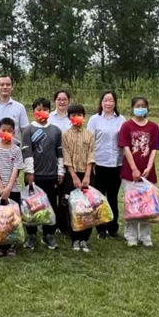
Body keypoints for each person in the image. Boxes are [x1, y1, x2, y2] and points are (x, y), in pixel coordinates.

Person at [22, 98, 64, 250]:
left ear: (49, 111)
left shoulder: (55, 130)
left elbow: (59, 152)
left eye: (45, 109)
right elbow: (27, 152)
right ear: (33, 111)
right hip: (34, 175)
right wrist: (29, 172)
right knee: (32, 206)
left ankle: (49, 234)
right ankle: (32, 235)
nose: (42, 112)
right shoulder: (29, 130)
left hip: (51, 175)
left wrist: (60, 171)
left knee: (51, 204)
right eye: (39, 109)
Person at [118, 96, 159, 247]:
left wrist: (149, 166)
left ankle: (145, 236)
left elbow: (154, 148)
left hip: (148, 174)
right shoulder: (126, 126)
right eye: (137, 106)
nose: (140, 108)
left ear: (147, 108)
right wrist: (134, 169)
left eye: (143, 106)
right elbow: (126, 148)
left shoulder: (153, 127)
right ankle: (131, 235)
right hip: (130, 173)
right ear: (132, 107)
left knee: (147, 205)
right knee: (132, 204)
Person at [87, 91, 125, 240]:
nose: (108, 103)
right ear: (101, 102)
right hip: (99, 164)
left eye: (111, 100)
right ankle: (101, 229)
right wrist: (91, 162)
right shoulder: (94, 120)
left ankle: (113, 228)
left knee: (113, 197)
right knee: (99, 198)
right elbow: (89, 142)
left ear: (115, 102)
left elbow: (124, 142)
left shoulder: (121, 120)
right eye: (105, 100)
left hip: (116, 164)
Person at [0, 118, 26, 258]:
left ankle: (11, 244)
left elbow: (16, 170)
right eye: (4, 130)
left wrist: (8, 188)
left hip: (13, 189)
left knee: (11, 216)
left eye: (9, 131)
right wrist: (1, 187)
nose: (6, 133)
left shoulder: (16, 150)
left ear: (14, 133)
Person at [62, 103, 96, 253]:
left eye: (79, 115)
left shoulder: (89, 134)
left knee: (88, 208)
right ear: (69, 117)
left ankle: (84, 239)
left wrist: (87, 175)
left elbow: (91, 155)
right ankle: (75, 238)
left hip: (87, 174)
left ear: (84, 116)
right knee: (73, 208)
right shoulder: (65, 135)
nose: (76, 118)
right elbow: (66, 156)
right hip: (72, 175)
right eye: (73, 115)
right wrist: (73, 176)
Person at [49, 89, 72, 236]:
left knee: (66, 195)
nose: (62, 102)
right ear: (55, 101)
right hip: (53, 160)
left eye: (64, 99)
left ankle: (65, 225)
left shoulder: (73, 118)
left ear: (69, 101)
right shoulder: (50, 118)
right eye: (59, 99)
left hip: (69, 160)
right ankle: (52, 224)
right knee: (53, 194)